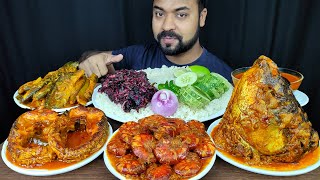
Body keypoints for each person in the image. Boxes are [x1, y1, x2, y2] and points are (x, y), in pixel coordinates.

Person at [79, 0, 232, 82]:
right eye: (159, 13)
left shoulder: (225, 77)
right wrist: (93, 61)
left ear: (201, 17)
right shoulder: (138, 55)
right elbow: (91, 57)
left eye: (181, 15)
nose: (166, 26)